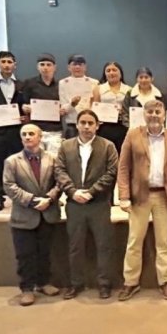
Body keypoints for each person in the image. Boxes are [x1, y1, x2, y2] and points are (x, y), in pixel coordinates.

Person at [117, 100, 167, 301]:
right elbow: (123, 167)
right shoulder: (133, 135)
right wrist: (124, 196)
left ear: (164, 115)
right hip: (140, 196)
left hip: (164, 196)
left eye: (158, 111)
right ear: (144, 114)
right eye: (150, 112)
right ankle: (131, 282)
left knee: (164, 242)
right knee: (134, 241)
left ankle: (166, 281)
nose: (154, 115)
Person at [54, 109, 119, 299]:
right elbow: (59, 171)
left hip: (99, 203)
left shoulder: (108, 146)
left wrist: (91, 192)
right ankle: (76, 284)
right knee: (75, 246)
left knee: (104, 245)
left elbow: (111, 173)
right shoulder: (65, 147)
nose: (86, 126)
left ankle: (104, 284)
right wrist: (73, 192)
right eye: (83, 123)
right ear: (77, 125)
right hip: (74, 203)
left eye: (91, 123)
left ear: (97, 126)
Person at [3, 124, 61, 306]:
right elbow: (9, 186)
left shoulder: (53, 159)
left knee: (44, 252)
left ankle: (44, 283)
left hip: (47, 213)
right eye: (24, 134)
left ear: (40, 137)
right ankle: (27, 289)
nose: (27, 137)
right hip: (24, 215)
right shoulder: (12, 161)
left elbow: (60, 182)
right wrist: (33, 200)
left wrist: (49, 199)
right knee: (25, 255)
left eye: (31, 134)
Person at [0, 51, 25, 212]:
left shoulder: (21, 85)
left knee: (17, 165)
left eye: (9, 62)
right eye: (3, 62)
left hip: (16, 131)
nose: (7, 65)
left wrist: (24, 116)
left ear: (15, 65)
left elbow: (24, 106)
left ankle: (19, 198)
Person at [21, 53, 65, 156]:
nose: (45, 68)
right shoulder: (29, 83)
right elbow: (22, 103)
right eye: (42, 64)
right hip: (35, 130)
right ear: (38, 67)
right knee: (35, 159)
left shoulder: (61, 85)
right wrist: (24, 107)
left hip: (55, 130)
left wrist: (63, 110)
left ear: (54, 67)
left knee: (54, 159)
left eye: (48, 65)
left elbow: (65, 104)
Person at [92, 61, 131, 154]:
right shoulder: (98, 88)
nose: (111, 73)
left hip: (123, 126)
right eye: (108, 71)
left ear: (120, 73)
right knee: (104, 153)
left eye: (114, 70)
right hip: (104, 127)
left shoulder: (129, 89)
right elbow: (95, 108)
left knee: (122, 153)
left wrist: (123, 110)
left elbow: (131, 110)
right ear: (105, 74)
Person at [58, 54, 99, 139]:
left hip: (90, 124)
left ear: (85, 67)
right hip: (72, 124)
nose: (77, 67)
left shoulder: (94, 83)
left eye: (80, 64)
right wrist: (72, 104)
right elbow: (63, 108)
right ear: (69, 67)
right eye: (74, 64)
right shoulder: (63, 83)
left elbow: (96, 105)